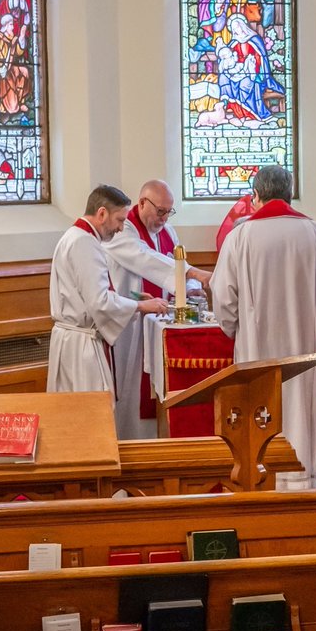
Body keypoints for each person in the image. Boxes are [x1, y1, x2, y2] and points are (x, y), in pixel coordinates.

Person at [210, 165, 316, 488]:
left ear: (255, 195)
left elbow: (224, 296)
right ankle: (303, 484)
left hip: (256, 350)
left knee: (261, 415)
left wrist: (236, 329)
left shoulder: (240, 237)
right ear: (289, 193)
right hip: (304, 347)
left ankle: (261, 483)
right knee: (301, 416)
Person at [103, 179, 210, 440]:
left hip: (160, 322)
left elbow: (177, 265)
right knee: (131, 390)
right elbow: (145, 259)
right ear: (142, 203)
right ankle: (130, 443)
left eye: (168, 212)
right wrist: (192, 273)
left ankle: (158, 443)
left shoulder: (168, 232)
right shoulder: (124, 230)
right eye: (160, 211)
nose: (164, 218)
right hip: (130, 324)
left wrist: (192, 287)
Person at [47, 185, 167, 394]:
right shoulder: (85, 243)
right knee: (90, 410)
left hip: (71, 341)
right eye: (120, 220)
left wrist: (129, 298)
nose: (120, 229)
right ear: (102, 213)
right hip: (81, 348)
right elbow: (99, 302)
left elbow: (84, 295)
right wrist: (140, 306)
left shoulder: (74, 236)